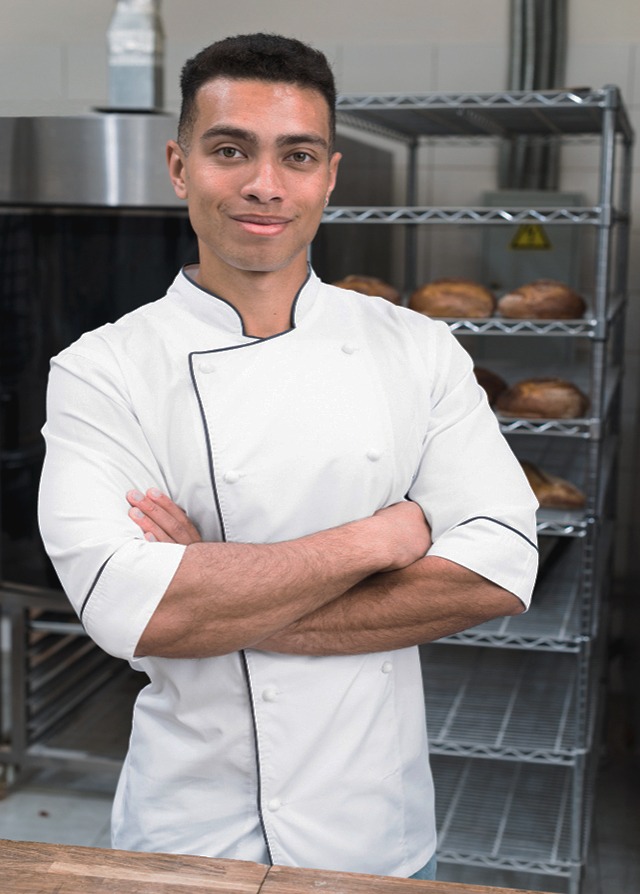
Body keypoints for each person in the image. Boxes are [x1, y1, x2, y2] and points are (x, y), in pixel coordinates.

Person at [38, 33, 538, 881]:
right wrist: (378, 542)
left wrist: (210, 589)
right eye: (230, 149)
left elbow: (496, 570)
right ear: (180, 165)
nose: (265, 184)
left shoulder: (418, 350)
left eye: (296, 155)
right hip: (186, 829)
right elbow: (136, 615)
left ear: (328, 176)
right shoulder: (103, 369)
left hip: (371, 825)